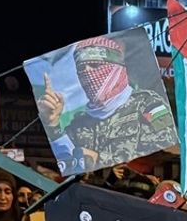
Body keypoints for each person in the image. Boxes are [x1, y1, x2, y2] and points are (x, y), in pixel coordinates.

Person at [37, 36, 175, 175]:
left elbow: (164, 147)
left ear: (115, 67)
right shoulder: (80, 123)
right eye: (82, 68)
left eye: (95, 66)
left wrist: (102, 160)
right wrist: (52, 124)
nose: (87, 73)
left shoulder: (148, 104)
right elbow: (64, 162)